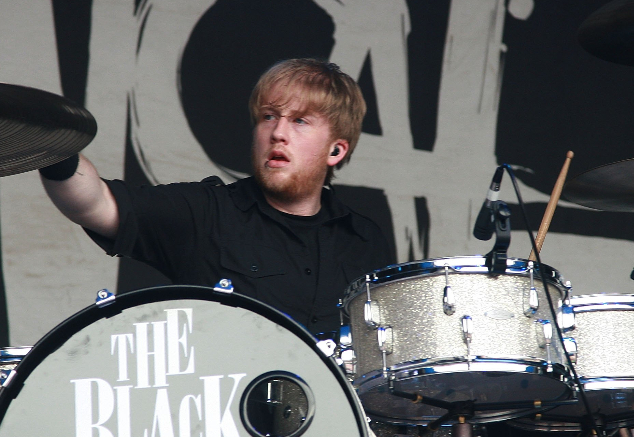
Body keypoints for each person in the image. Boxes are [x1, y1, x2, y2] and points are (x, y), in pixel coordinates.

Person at [38, 58, 395, 334]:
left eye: (300, 121)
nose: (278, 133)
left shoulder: (365, 240)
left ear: (336, 150)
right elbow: (93, 203)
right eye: (269, 116)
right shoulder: (206, 213)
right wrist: (48, 142)